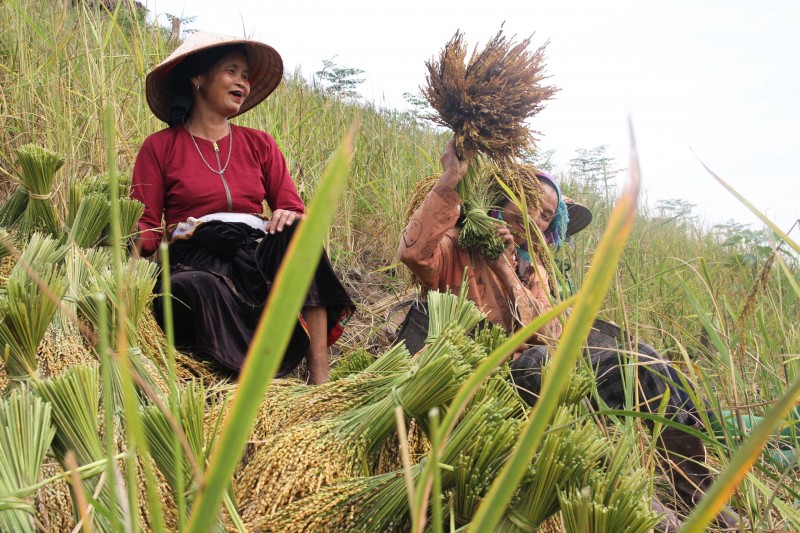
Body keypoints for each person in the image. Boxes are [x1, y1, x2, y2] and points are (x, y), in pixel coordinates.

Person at [131, 32, 354, 384]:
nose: (242, 82)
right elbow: (145, 224)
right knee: (194, 286)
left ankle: (319, 378)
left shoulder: (259, 144)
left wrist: (289, 215)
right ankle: (226, 379)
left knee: (300, 236)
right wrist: (129, 249)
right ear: (198, 77)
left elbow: (293, 207)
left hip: (254, 253)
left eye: (246, 76)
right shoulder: (160, 147)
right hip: (194, 255)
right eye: (232, 71)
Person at [398, 139, 566, 345]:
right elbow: (412, 254)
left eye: (546, 216)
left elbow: (551, 332)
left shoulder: (533, 270)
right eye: (529, 201)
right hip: (450, 356)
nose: (534, 217)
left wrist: (505, 271)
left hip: (509, 364)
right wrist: (451, 176)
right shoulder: (459, 244)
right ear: (504, 196)